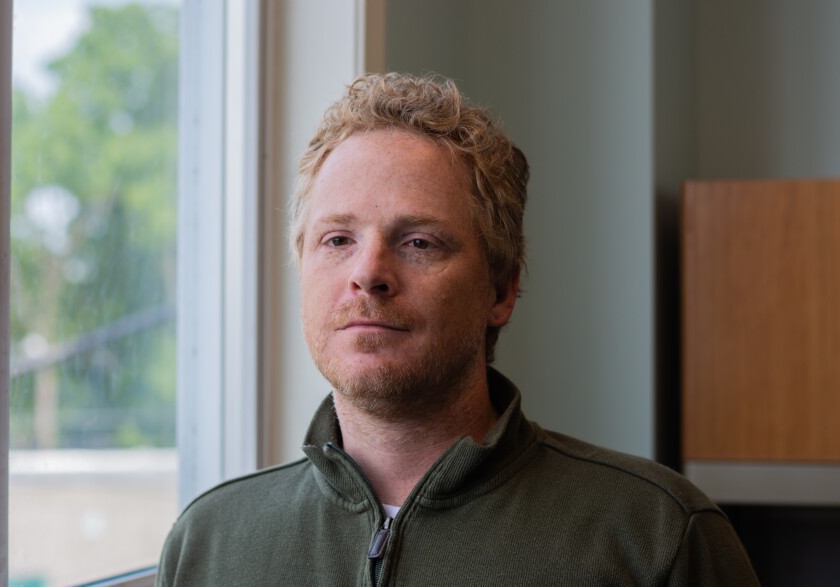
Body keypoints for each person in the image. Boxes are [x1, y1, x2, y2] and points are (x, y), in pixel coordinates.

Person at [157, 73, 759, 586]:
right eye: (337, 240)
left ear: (500, 291)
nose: (368, 273)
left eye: (419, 242)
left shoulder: (658, 538)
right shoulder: (209, 543)